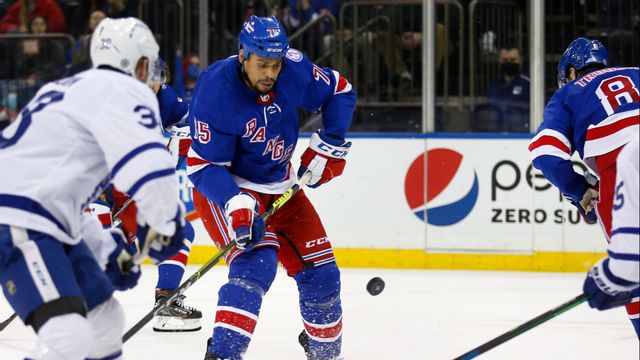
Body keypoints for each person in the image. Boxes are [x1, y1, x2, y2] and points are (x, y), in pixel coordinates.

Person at [0, 17, 185, 359]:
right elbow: (150, 167)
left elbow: (61, 200)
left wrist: (104, 248)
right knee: (66, 336)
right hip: (16, 220)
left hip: (35, 218)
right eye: (151, 65)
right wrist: (167, 224)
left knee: (105, 322)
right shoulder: (124, 90)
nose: (154, 76)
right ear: (137, 63)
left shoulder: (73, 88)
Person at [187, 15, 356, 360]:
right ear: (243, 56)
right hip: (226, 189)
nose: (270, 73)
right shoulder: (215, 89)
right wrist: (235, 203)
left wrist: (331, 140)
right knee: (256, 265)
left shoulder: (293, 71)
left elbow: (340, 91)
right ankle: (223, 354)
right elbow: (202, 165)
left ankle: (324, 353)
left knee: (323, 275)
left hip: (282, 188)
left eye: (275, 65)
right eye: (262, 64)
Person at [528, 37, 639, 337]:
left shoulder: (569, 94)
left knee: (633, 273)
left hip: (625, 175)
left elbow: (545, 155)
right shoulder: (637, 72)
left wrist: (579, 190)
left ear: (572, 71)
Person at [476, 45, 530, 132]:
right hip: (495, 135)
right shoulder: (493, 86)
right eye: (505, 60)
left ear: (520, 60)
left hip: (521, 135)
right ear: (499, 61)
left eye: (512, 60)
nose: (509, 62)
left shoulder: (529, 85)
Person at [0, 0, 66, 34]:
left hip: (45, 41)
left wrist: (43, 29)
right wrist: (18, 28)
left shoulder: (48, 4)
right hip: (23, 41)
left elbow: (59, 25)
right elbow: (3, 25)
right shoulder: (18, 6)